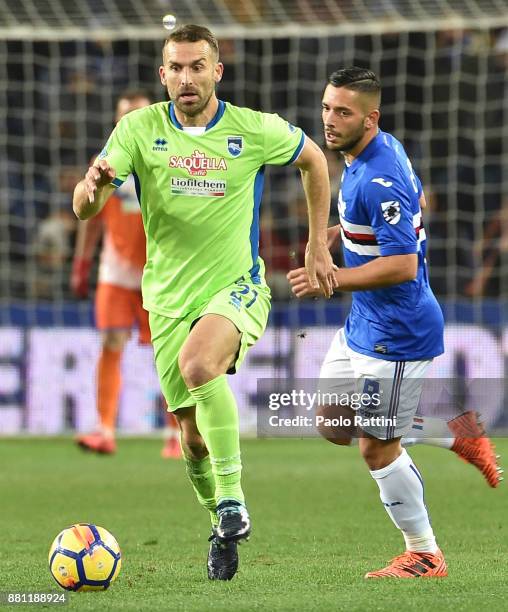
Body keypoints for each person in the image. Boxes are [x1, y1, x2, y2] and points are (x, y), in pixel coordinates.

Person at [72, 25, 335, 581]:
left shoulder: (252, 128)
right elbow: (83, 207)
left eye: (198, 66)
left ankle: (235, 499)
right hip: (165, 298)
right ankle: (219, 520)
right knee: (191, 438)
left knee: (199, 365)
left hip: (235, 286)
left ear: (218, 71)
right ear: (162, 75)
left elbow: (314, 160)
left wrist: (315, 246)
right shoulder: (138, 129)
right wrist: (93, 188)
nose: (187, 78)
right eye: (177, 68)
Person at [287, 67, 499, 579]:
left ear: (370, 117)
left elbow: (404, 263)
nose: (330, 121)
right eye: (326, 107)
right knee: (333, 424)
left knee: (377, 446)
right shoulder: (374, 154)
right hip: (364, 321)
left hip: (399, 333)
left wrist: (331, 278)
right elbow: (414, 206)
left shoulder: (379, 175)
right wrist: (350, 232)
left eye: (343, 112)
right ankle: (456, 433)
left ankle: (424, 552)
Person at [72, 91, 181, 459]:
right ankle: (104, 429)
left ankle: (175, 434)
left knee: (169, 352)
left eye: (135, 114)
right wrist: (81, 261)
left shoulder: (171, 157)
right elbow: (91, 216)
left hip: (161, 271)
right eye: (122, 115)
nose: (128, 121)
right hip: (115, 271)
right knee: (111, 342)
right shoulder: (105, 161)